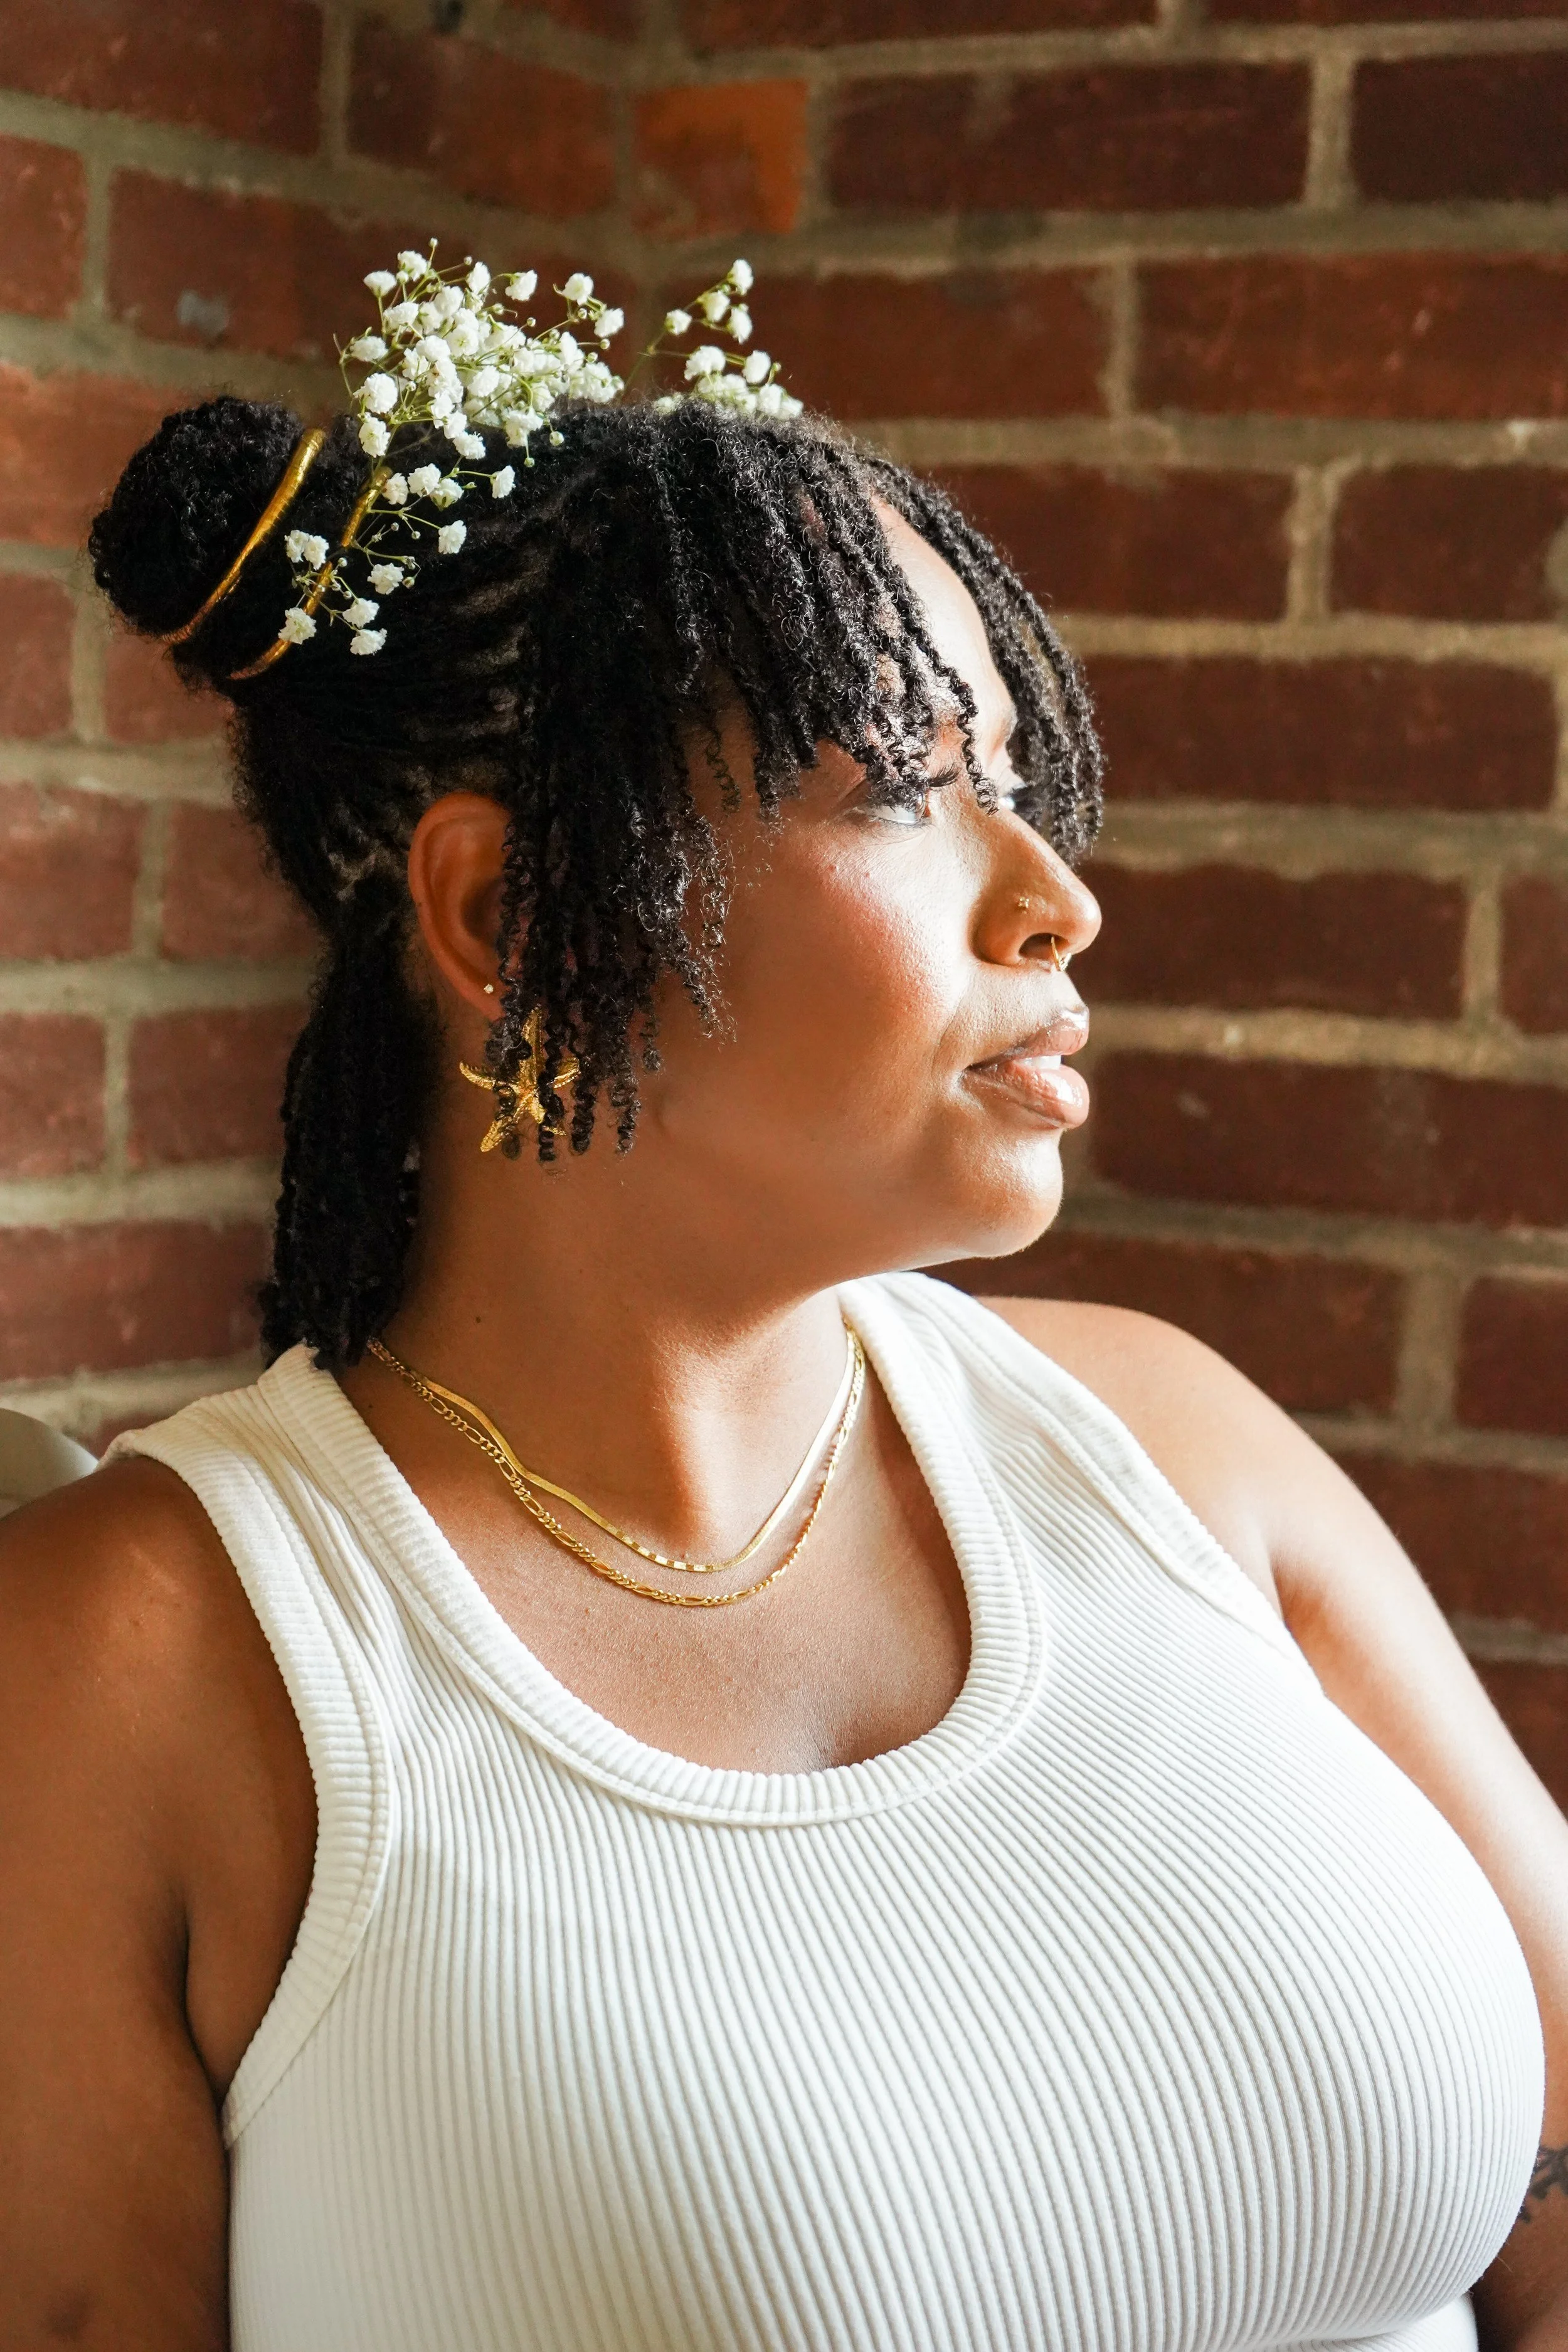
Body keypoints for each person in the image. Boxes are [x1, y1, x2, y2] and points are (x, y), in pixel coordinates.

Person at [1, 315, 1563, 2352]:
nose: (1052, 895)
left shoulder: (1171, 1443)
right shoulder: (127, 1665)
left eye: (1015, 776)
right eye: (909, 786)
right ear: (508, 919)